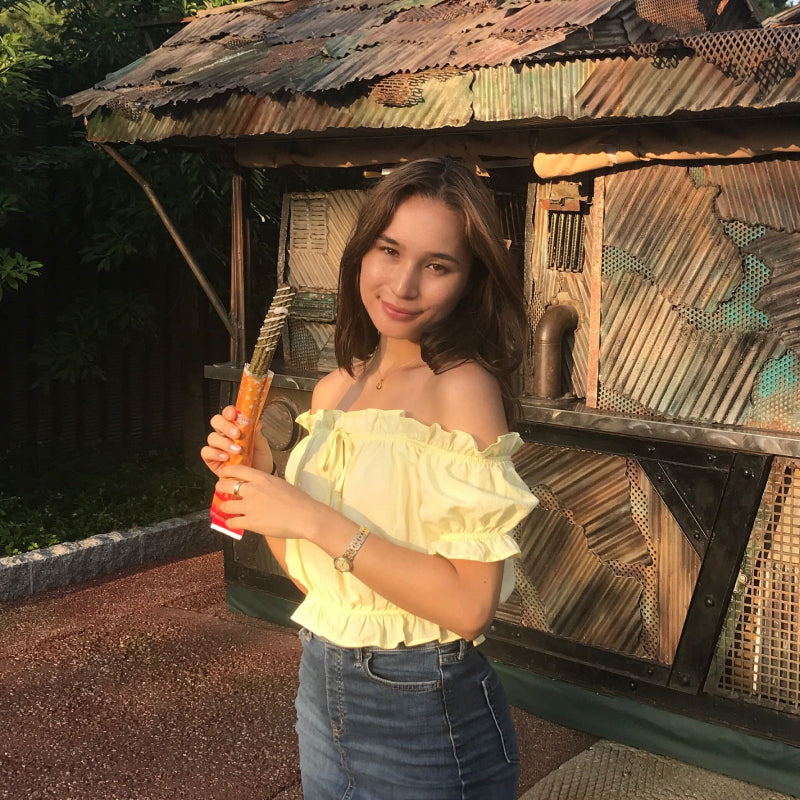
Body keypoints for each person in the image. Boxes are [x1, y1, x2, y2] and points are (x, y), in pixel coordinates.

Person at [201, 158, 538, 799]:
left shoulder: (462, 388)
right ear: (362, 252)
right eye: (389, 250)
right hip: (322, 679)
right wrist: (259, 478)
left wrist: (310, 516)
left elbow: (469, 608)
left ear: (469, 281)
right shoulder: (335, 391)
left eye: (437, 265)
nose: (403, 284)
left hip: (424, 705)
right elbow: (314, 576)